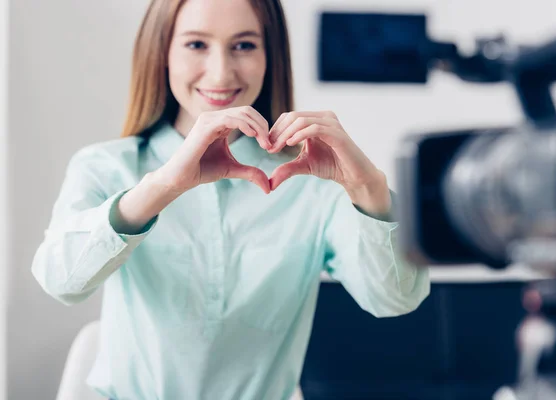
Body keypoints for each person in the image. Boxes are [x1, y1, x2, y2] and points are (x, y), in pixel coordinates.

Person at [31, 0, 430, 399]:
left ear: (269, 56)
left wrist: (369, 189)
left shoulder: (312, 180)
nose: (221, 72)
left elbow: (395, 298)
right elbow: (61, 282)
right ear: (162, 53)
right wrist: (163, 185)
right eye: (196, 45)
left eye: (244, 45)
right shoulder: (104, 166)